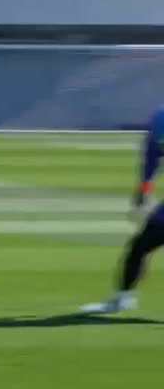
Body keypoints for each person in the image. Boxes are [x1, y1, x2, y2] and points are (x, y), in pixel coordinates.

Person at [81, 106, 164, 314]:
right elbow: (152, 157)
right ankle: (122, 300)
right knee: (139, 247)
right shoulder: (159, 120)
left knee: (139, 247)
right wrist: (143, 190)